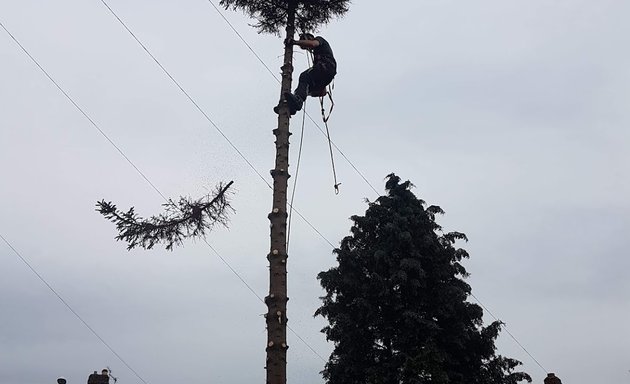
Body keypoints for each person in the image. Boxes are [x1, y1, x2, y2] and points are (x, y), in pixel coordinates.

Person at [275, 33, 337, 115]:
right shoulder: (318, 55)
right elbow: (323, 92)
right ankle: (292, 106)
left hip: (326, 67)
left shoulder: (319, 40)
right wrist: (308, 92)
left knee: (304, 76)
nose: (307, 49)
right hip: (327, 74)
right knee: (303, 88)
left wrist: (295, 42)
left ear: (310, 38)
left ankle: (298, 101)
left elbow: (313, 44)